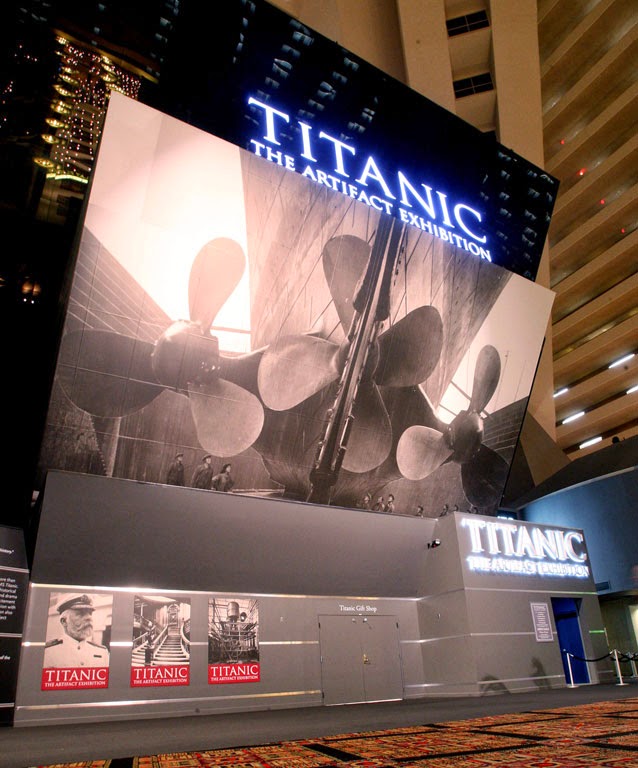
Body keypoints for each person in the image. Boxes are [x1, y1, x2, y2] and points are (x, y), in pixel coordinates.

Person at [43, 594, 109, 668]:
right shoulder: (47, 651)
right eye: (81, 614)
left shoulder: (102, 652)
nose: (89, 618)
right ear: (64, 621)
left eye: (90, 613)